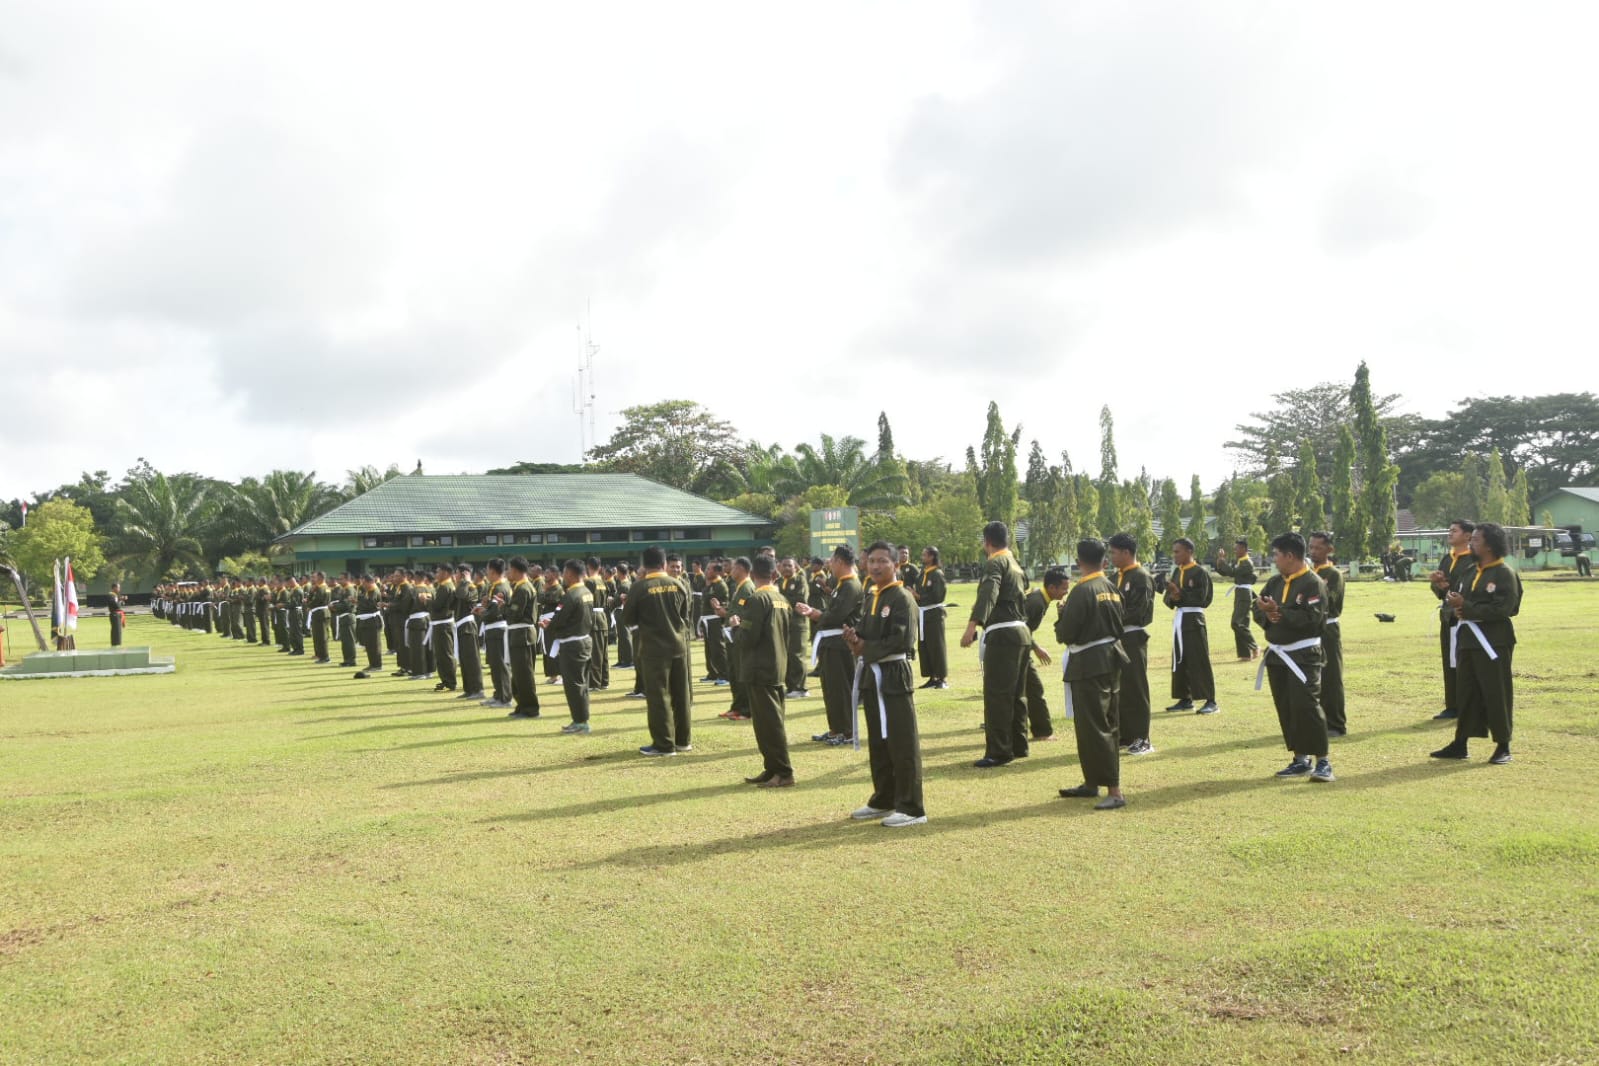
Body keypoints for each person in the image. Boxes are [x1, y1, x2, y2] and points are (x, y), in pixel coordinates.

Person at [845, 541, 926, 827]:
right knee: (879, 742)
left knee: (902, 742)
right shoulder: (872, 596)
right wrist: (855, 640)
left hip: (893, 674)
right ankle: (884, 798)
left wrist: (866, 646)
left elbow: (902, 640)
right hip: (872, 674)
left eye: (883, 561)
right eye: (872, 561)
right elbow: (866, 637)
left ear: (896, 564)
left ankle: (912, 807)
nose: (876, 566)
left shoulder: (902, 598)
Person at [1431, 522, 1521, 765]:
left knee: (1495, 692)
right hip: (1468, 640)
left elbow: (1505, 608)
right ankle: (1460, 743)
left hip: (1493, 641)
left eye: (1477, 540)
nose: (1471, 544)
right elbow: (1457, 597)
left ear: (1490, 545)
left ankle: (1503, 745)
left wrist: (1466, 606)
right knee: (1466, 692)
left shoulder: (1504, 573)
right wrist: (1443, 589)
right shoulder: (1470, 571)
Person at [1252, 532, 1333, 783]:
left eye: (1276, 554)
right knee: (1286, 707)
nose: (1273, 559)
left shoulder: (1312, 583)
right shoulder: (1276, 582)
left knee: (1306, 707)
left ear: (1290, 556)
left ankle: (1323, 762)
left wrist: (1280, 613)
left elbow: (1313, 619)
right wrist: (1268, 614)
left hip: (1304, 655)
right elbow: (1257, 606)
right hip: (1278, 655)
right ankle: (1300, 759)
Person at [1054, 538, 1129, 809]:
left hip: (1089, 663)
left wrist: (1062, 615)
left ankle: (1115, 791)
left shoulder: (1082, 591)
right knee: (1103, 723)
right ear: (1104, 561)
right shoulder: (1110, 586)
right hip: (1110, 658)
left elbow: (1066, 633)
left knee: (1095, 727)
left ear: (1078, 561)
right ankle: (1091, 783)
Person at [960, 521, 1032, 768]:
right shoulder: (1015, 563)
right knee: (1016, 695)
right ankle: (1018, 744)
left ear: (986, 542)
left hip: (1003, 635)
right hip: (1021, 633)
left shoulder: (995, 562)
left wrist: (972, 625)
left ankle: (999, 751)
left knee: (998, 695)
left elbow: (989, 592)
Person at [730, 554, 794, 787]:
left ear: (753, 574)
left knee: (769, 723)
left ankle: (783, 772)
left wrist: (736, 628)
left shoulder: (758, 599)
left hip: (760, 667)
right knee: (769, 721)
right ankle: (772, 768)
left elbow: (748, 638)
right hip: (777, 665)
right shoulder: (781, 598)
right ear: (774, 574)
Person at [624, 546, 694, 756]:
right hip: (679, 646)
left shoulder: (640, 587)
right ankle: (683, 741)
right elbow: (685, 614)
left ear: (644, 566)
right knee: (681, 694)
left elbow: (628, 619)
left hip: (653, 649)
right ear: (664, 564)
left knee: (658, 696)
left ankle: (664, 744)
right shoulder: (678, 584)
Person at [797, 545, 863, 745]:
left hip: (841, 643)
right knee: (831, 688)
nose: (830, 565)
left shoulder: (851, 585)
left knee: (842, 688)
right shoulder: (842, 584)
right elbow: (832, 611)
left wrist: (815, 614)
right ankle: (836, 729)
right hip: (831, 642)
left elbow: (836, 615)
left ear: (841, 562)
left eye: (832, 561)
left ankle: (848, 732)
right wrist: (815, 611)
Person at [1109, 533, 1155, 755]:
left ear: (1126, 552)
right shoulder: (1116, 576)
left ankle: (1142, 738)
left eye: (1114, 552)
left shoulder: (1140, 577)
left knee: (1136, 689)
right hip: (1117, 638)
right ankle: (1125, 735)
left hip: (1133, 637)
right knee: (1121, 688)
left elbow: (1138, 611)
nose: (1111, 557)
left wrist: (1111, 618)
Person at [1428, 519, 1477, 720]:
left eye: (1454, 531)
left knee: (1465, 663)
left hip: (1465, 616)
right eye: (1449, 530)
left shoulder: (1473, 560)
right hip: (1448, 617)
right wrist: (1437, 584)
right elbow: (1443, 591)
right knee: (1450, 662)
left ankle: (1469, 705)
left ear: (1467, 536)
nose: (1450, 533)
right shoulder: (1447, 559)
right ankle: (1453, 705)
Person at [1164, 537, 1218, 715]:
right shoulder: (1176, 572)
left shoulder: (1199, 573)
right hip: (1180, 620)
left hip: (1194, 620)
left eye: (1177, 551)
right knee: (1180, 659)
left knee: (1199, 660)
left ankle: (1211, 700)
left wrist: (1181, 594)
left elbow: (1204, 598)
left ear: (1189, 551)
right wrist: (1173, 596)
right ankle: (1185, 698)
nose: (1174, 555)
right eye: (1174, 551)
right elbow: (1169, 598)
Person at [542, 560, 594, 734]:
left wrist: (549, 625)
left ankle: (580, 722)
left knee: (574, 685)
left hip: (572, 645)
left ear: (570, 574)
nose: (563, 577)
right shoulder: (586, 591)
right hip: (584, 640)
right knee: (581, 683)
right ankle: (580, 719)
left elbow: (559, 620)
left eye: (564, 573)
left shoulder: (571, 595)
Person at [1308, 532, 1347, 738]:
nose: (1313, 551)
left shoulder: (1333, 575)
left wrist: (1317, 591)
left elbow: (1330, 604)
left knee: (1331, 677)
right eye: (1311, 547)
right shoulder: (1309, 572)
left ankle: (1336, 723)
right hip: (1311, 629)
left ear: (1329, 550)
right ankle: (1317, 720)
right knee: (1313, 677)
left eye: (1318, 548)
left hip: (1328, 630)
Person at [1021, 568, 1063, 743]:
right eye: (1064, 588)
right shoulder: (1037, 602)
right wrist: (1036, 647)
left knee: (1032, 689)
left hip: (1020, 646)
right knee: (1033, 688)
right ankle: (1042, 731)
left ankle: (1042, 731)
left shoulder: (1042, 599)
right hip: (1016, 648)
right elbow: (1020, 627)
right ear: (1052, 588)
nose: (1066, 592)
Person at [503, 557, 542, 719]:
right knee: (518, 674)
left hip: (523, 635)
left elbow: (514, 613)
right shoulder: (520, 587)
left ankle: (531, 708)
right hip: (518, 634)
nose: (508, 573)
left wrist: (503, 607)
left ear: (516, 571)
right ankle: (522, 705)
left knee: (524, 674)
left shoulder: (523, 588)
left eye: (510, 569)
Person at [1213, 538, 1259, 660]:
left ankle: (1254, 646)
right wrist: (1219, 563)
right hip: (1240, 593)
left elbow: (1233, 573)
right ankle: (1245, 654)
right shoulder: (1240, 561)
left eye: (1237, 548)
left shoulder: (1246, 563)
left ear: (1244, 549)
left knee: (1236, 623)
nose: (1235, 550)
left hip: (1244, 594)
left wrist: (1223, 562)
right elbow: (1227, 573)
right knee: (1242, 623)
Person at [476, 559, 513, 709]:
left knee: (500, 664)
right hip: (492, 629)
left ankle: (505, 698)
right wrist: (485, 606)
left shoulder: (501, 588)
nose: (486, 573)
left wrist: (482, 612)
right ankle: (498, 694)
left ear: (492, 571)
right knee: (494, 664)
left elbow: (496, 612)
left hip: (498, 629)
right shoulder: (495, 587)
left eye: (487, 570)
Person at [912, 546, 949, 689]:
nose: (922, 557)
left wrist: (919, 597)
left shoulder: (937, 574)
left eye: (925, 555)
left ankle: (942, 678)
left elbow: (938, 595)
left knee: (937, 646)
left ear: (932, 557)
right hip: (923, 615)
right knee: (925, 647)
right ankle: (932, 676)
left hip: (934, 615)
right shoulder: (922, 574)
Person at [778, 556, 810, 698]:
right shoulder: (779, 582)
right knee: (787, 656)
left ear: (795, 567)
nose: (786, 568)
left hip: (798, 624)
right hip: (784, 624)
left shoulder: (800, 580)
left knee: (797, 655)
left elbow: (799, 601)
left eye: (789, 565)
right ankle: (791, 686)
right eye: (783, 565)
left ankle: (800, 688)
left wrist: (780, 601)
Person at [453, 564, 484, 701]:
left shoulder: (471, 587)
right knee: (464, 660)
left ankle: (478, 689)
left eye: (457, 573)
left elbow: (462, 595)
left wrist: (465, 581)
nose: (455, 575)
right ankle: (469, 689)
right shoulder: (460, 586)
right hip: (461, 626)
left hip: (468, 626)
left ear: (464, 574)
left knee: (472, 659)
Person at [352, 574, 386, 679]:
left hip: (372, 620)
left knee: (374, 644)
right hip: (366, 620)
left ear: (369, 582)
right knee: (369, 645)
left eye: (364, 582)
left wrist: (357, 602)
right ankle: (372, 664)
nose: (363, 585)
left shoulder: (374, 591)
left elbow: (370, 604)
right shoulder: (368, 591)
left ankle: (377, 665)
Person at [108, 582, 126, 647]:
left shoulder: (114, 595)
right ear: (114, 588)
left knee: (118, 630)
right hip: (115, 615)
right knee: (116, 631)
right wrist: (120, 602)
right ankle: (116, 644)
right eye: (118, 587)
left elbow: (117, 604)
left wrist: (120, 600)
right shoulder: (111, 595)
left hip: (116, 615)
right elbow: (116, 605)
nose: (119, 589)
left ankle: (116, 643)